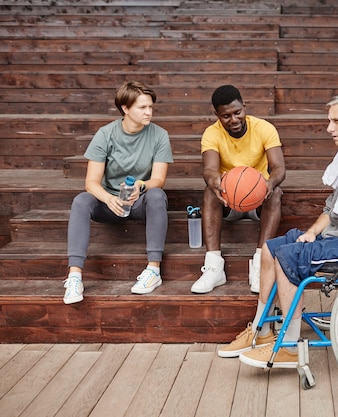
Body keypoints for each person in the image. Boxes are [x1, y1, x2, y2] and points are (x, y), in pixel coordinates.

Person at [217, 92, 338, 367]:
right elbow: (333, 210)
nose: (329, 127)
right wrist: (311, 233)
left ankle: (289, 347)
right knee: (270, 249)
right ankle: (261, 331)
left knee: (289, 258)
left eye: (335, 120)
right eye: (329, 120)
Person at [63, 80, 173, 304]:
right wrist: (109, 198)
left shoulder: (160, 135)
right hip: (110, 203)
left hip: (140, 202)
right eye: (142, 107)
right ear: (125, 108)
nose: (148, 112)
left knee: (156, 195)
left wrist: (141, 186)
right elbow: (91, 182)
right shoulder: (106, 134)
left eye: (150, 107)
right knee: (82, 201)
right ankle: (74, 277)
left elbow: (158, 180)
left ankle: (153, 270)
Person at [191, 85, 286, 294]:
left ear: (244, 106)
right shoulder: (211, 134)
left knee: (276, 192)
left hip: (258, 198)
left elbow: (279, 168)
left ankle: (261, 264)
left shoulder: (263, 128)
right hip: (228, 200)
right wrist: (214, 181)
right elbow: (209, 169)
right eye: (226, 116)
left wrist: (269, 183)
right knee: (209, 191)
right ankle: (214, 266)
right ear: (216, 115)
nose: (233, 119)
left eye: (237, 112)